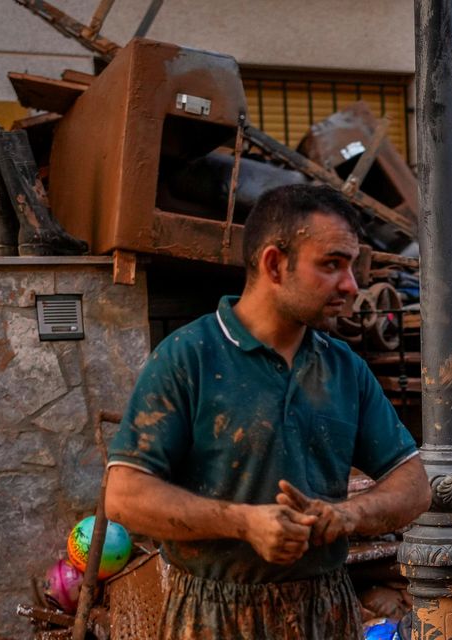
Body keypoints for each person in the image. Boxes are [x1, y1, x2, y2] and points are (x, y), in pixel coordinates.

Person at [104, 184, 432, 639]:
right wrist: (244, 522)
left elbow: (415, 485)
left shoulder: (343, 368)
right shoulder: (189, 358)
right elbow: (123, 497)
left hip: (325, 612)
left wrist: (348, 515)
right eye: (332, 264)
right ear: (275, 264)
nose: (352, 285)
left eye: (351, 266)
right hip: (212, 615)